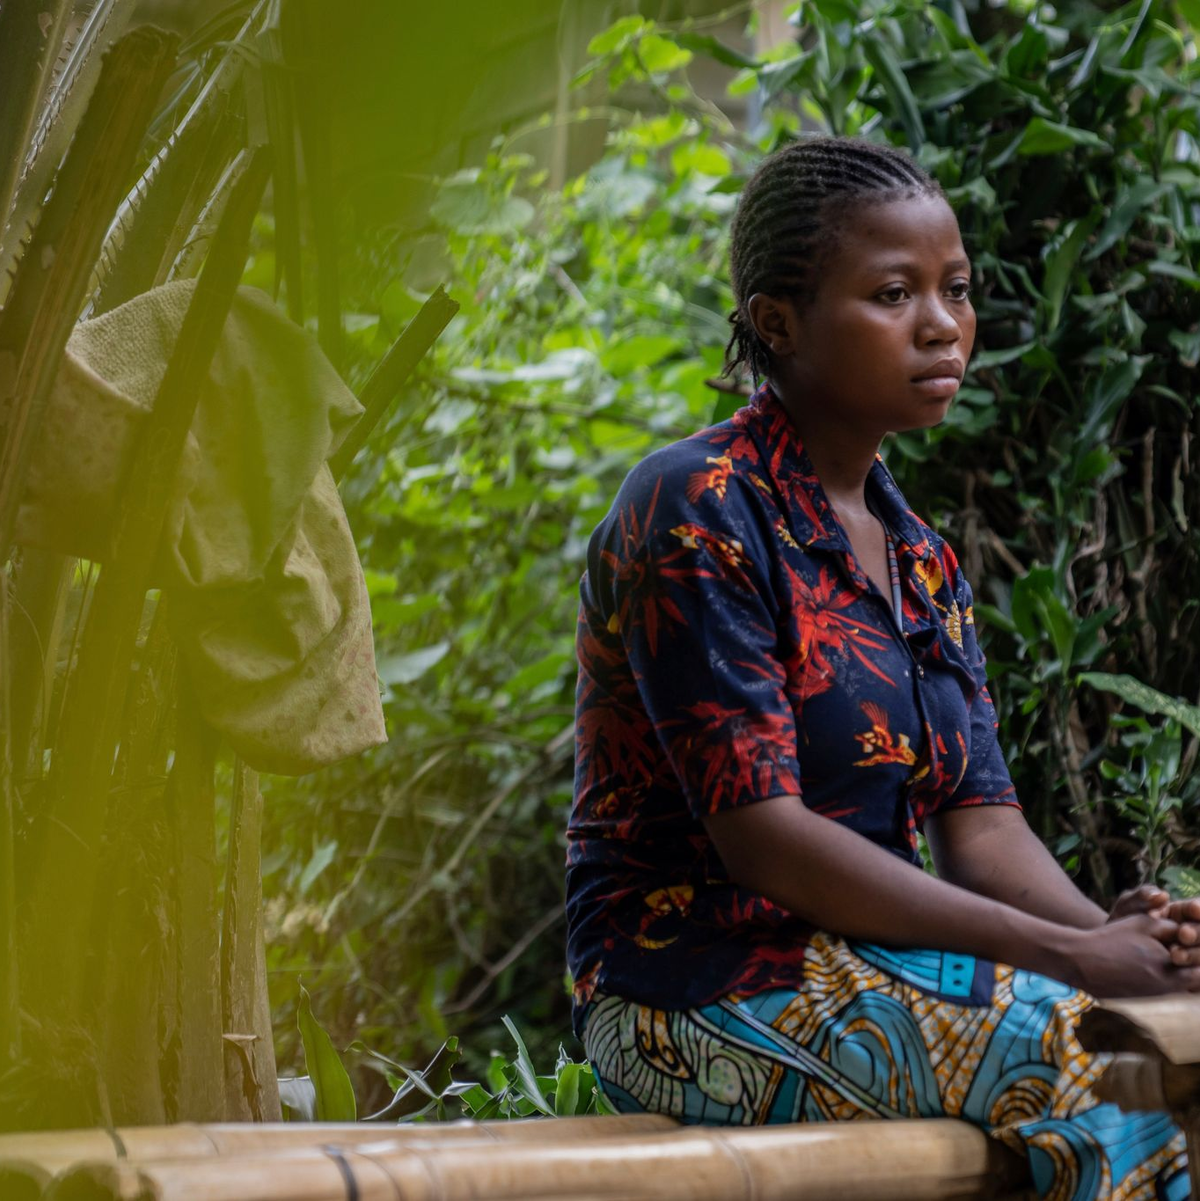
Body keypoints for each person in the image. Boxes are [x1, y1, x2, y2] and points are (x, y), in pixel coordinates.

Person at [564, 136, 1200, 1199]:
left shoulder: (919, 556)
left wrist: (1127, 942)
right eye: (894, 293)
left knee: (1167, 1038)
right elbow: (767, 841)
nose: (944, 323)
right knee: (1096, 1054)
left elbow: (983, 827)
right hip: (685, 991)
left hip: (865, 969)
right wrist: (1077, 964)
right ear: (779, 323)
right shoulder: (698, 507)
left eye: (956, 290)